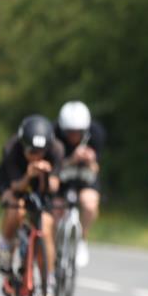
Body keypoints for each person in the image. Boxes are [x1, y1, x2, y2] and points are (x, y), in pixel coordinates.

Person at [0, 115, 64, 296]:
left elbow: (54, 186)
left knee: (46, 226)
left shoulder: (56, 150)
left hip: (41, 188)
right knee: (16, 209)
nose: (37, 156)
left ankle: (47, 288)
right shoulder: (12, 149)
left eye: (41, 152)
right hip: (15, 182)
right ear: (23, 146)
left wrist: (45, 175)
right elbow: (16, 186)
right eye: (32, 152)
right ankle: (6, 247)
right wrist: (29, 175)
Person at [53, 101, 105, 268]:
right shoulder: (53, 135)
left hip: (84, 177)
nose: (74, 136)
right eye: (70, 132)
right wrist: (71, 160)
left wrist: (91, 160)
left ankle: (82, 238)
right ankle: (55, 244)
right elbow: (52, 167)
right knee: (55, 209)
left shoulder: (96, 134)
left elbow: (96, 169)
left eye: (78, 132)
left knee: (90, 204)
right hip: (62, 176)